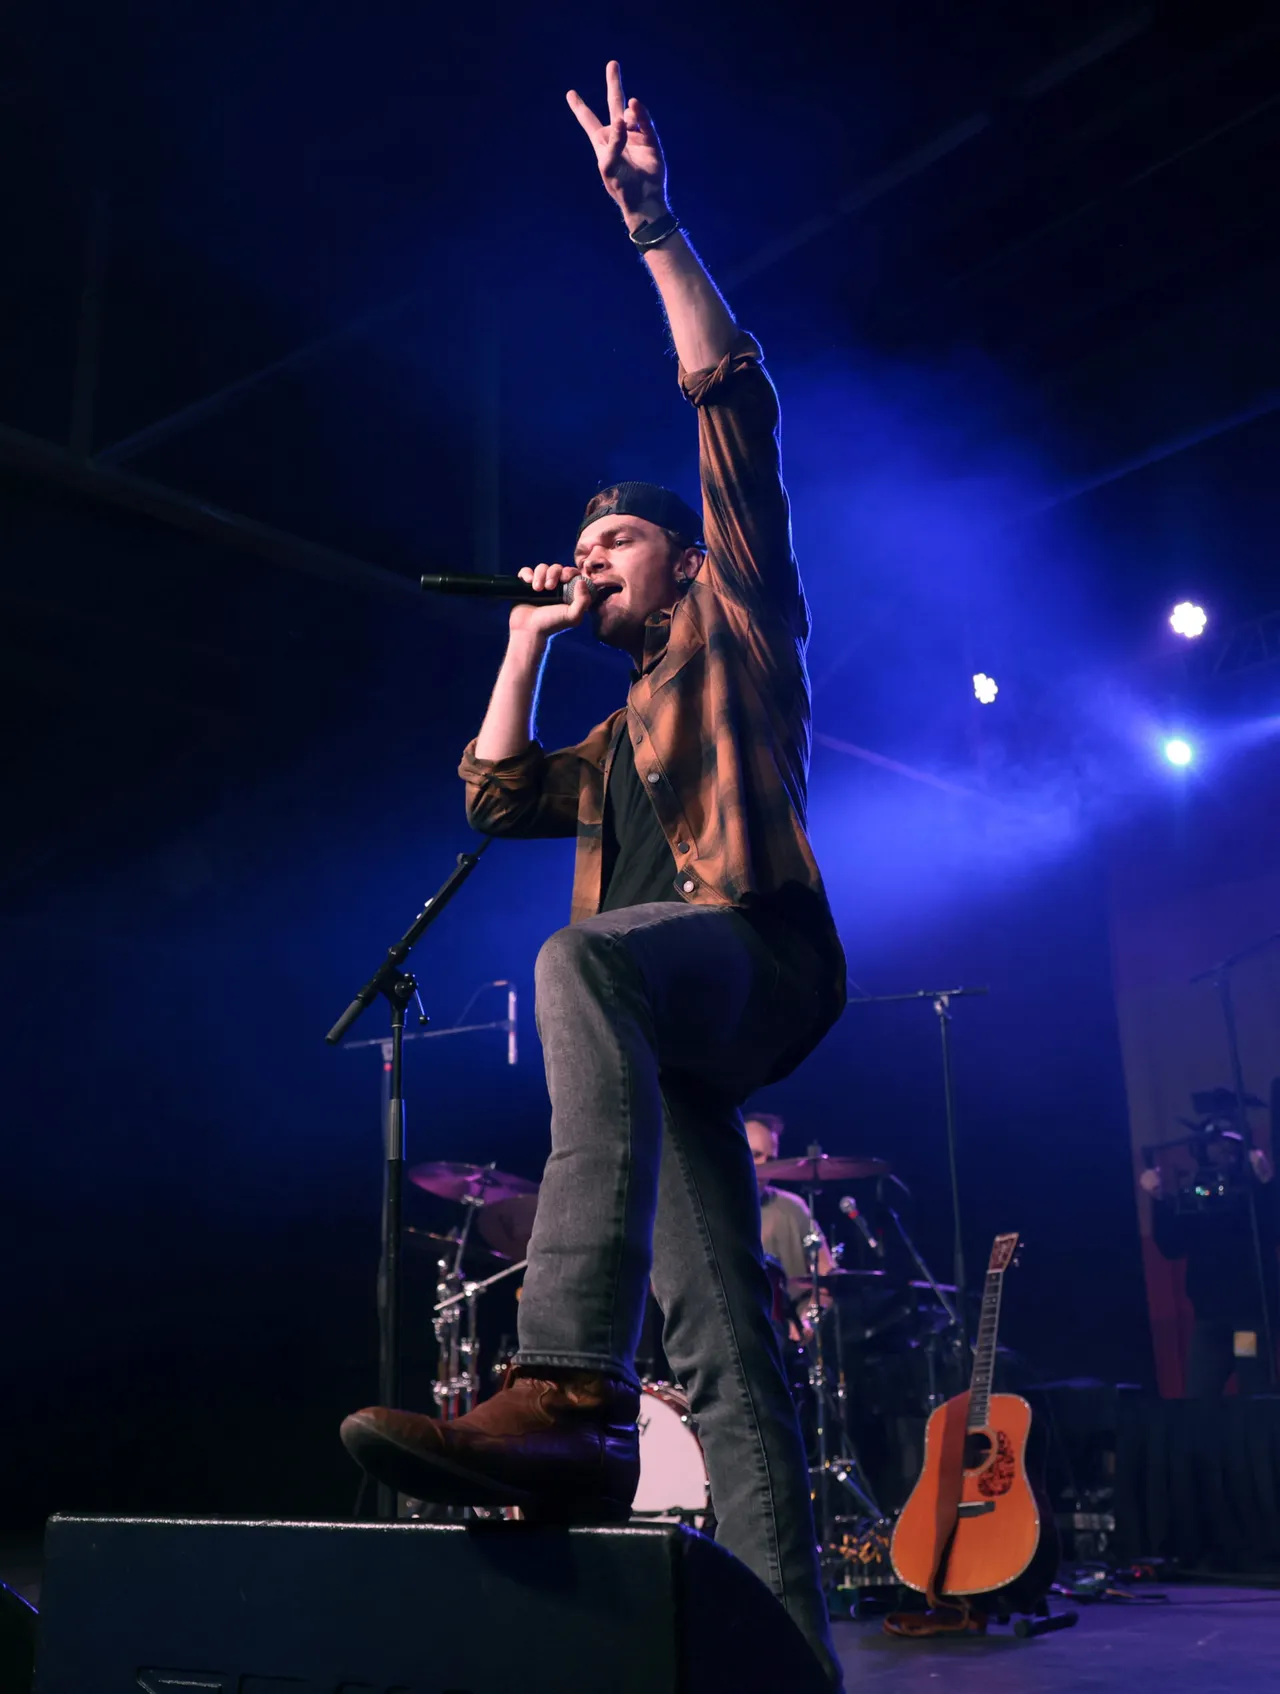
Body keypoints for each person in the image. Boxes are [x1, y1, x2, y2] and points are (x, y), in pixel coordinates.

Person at [342, 61, 846, 1683]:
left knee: (577, 965)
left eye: (614, 540)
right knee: (725, 1350)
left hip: (750, 960)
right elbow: (498, 797)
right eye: (587, 542)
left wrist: (654, 225)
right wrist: (523, 638)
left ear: (682, 558)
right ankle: (787, 1662)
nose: (594, 553)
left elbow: (732, 407)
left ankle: (563, 1383)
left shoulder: (736, 628)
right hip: (669, 1030)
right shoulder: (619, 731)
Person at [1141, 1125, 1277, 1397]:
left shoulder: (1250, 1194)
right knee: (1200, 1395)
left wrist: (1266, 1184)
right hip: (1209, 1318)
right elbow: (1172, 1246)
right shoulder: (1198, 1195)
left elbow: (1271, 1230)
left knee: (1254, 1390)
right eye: (1216, 1145)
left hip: (1246, 1320)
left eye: (1230, 1146)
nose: (1222, 1152)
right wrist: (1159, 1201)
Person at [745, 1111, 836, 1338]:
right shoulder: (709, 1210)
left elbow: (828, 1278)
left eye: (771, 1160)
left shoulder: (793, 1208)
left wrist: (808, 1322)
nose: (765, 1167)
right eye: (755, 1156)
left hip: (789, 1336)